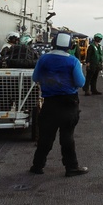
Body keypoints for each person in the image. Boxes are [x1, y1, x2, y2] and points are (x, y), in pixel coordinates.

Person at [30, 32, 89, 177]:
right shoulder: (73, 61)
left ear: (53, 43)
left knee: (45, 137)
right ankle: (71, 168)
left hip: (49, 103)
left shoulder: (44, 59)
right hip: (68, 104)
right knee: (67, 137)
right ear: (70, 45)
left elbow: (35, 77)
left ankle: (37, 166)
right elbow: (81, 82)